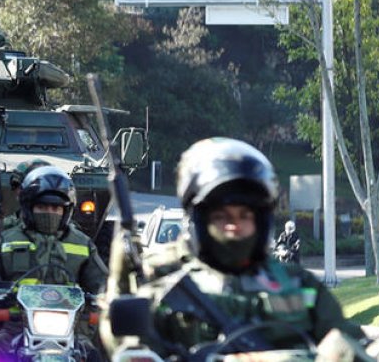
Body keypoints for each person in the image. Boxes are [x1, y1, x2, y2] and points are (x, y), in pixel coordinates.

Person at [104, 138, 363, 359]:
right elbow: (127, 345)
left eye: (244, 216)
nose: (234, 227)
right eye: (222, 217)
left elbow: (351, 341)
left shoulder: (297, 283)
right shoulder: (165, 281)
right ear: (200, 221)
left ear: (261, 221)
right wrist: (121, 283)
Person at [0, 166, 107, 362]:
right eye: (42, 207)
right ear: (28, 207)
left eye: (56, 208)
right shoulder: (5, 242)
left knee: (99, 355)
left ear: (66, 210)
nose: (49, 213)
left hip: (73, 328)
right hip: (14, 324)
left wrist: (111, 297)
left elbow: (104, 284)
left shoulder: (83, 244)